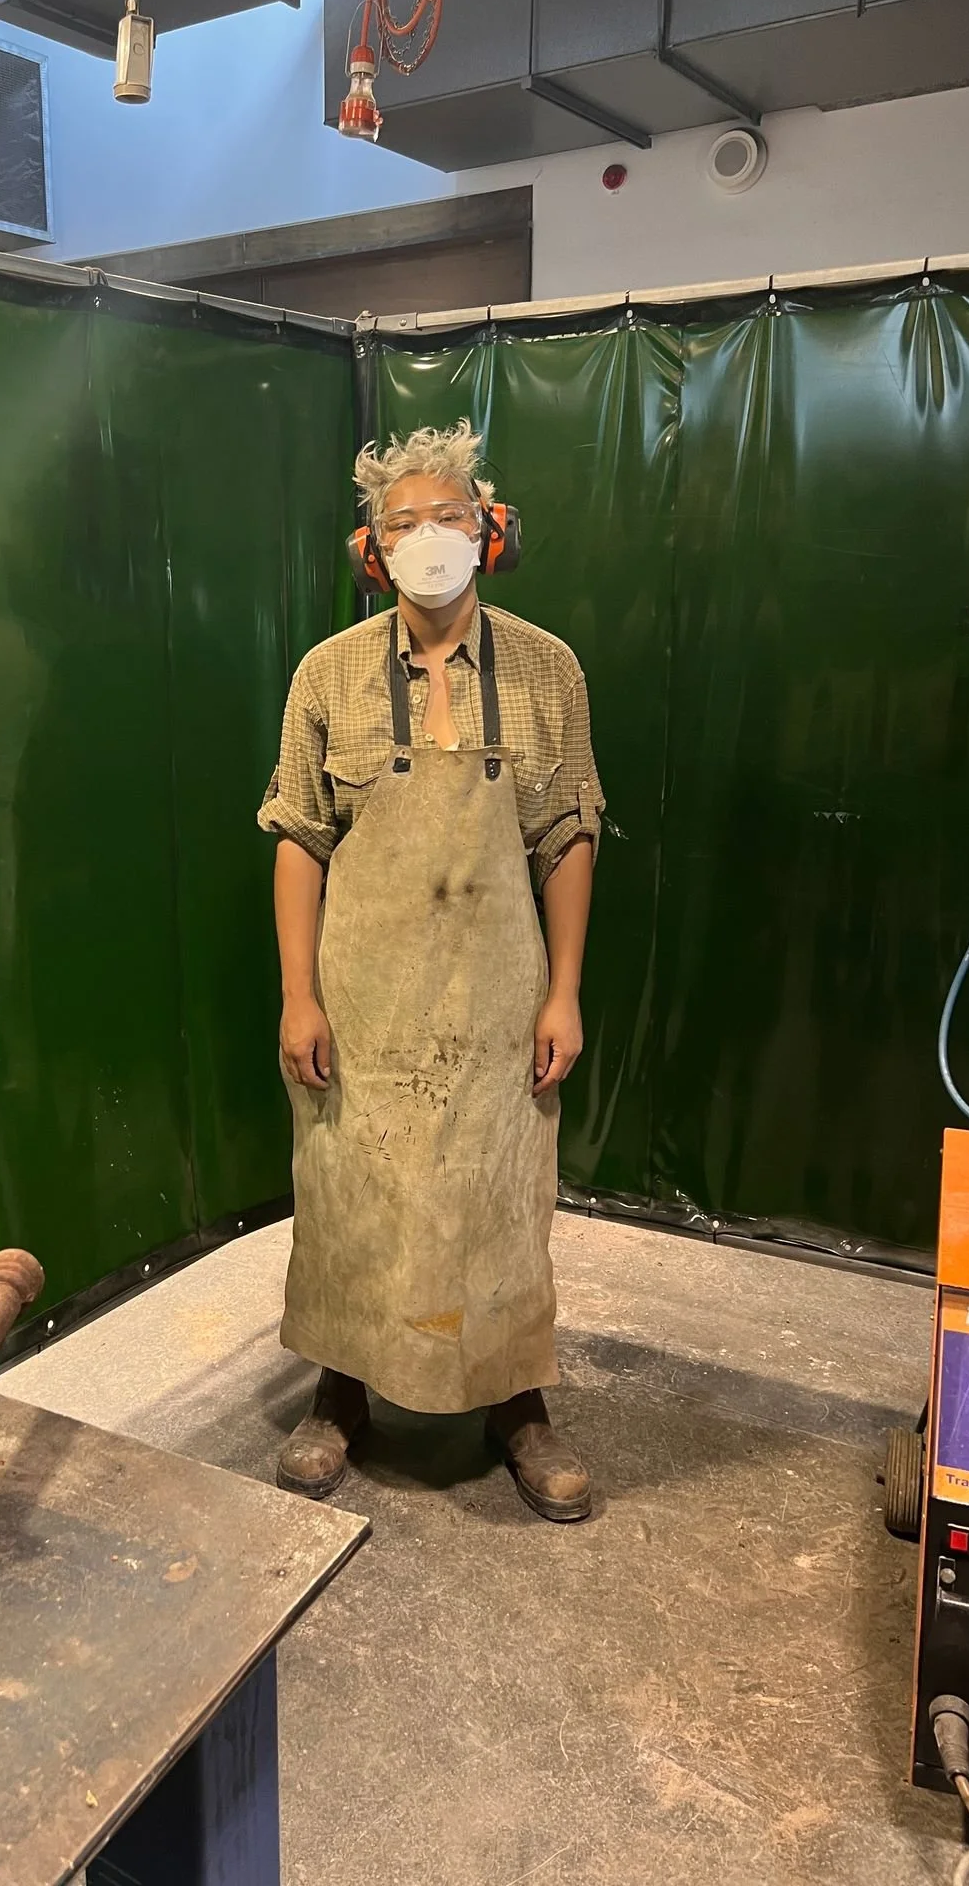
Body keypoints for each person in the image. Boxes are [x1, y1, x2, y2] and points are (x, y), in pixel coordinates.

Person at [257, 420, 603, 1522]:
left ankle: (516, 1401)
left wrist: (564, 991)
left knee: (500, 1198)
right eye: (402, 522)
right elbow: (298, 835)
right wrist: (299, 991)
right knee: (356, 1193)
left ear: (489, 532)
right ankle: (343, 1387)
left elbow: (570, 835)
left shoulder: (550, 671)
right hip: (365, 999)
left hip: (499, 996)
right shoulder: (329, 675)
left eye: (449, 516)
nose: (428, 538)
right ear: (373, 550)